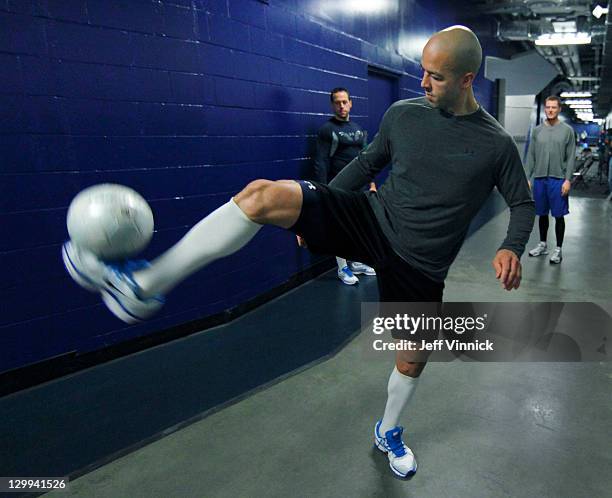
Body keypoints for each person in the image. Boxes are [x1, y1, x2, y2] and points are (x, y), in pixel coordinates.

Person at [62, 26, 535, 478]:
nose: (423, 82)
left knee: (412, 360)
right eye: (423, 70)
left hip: (421, 262)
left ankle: (388, 430)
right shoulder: (404, 114)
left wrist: (511, 247)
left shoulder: (494, 144)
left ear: (467, 79)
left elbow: (521, 201)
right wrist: (320, 213)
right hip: (370, 218)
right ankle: (144, 283)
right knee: (263, 195)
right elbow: (369, 164)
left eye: (436, 76)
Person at [314, 87, 376, 285]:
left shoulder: (358, 129)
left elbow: (365, 159)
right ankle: (343, 268)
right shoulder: (327, 130)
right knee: (340, 227)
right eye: (337, 102)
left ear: (350, 103)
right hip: (337, 186)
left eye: (344, 102)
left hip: (358, 188)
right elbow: (321, 162)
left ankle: (356, 262)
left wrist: (371, 183)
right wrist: (323, 191)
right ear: (332, 105)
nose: (341, 106)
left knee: (358, 225)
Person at [525, 95, 576, 264]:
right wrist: (528, 177)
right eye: (548, 107)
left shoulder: (567, 131)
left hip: (558, 179)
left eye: (554, 107)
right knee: (542, 214)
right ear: (545, 108)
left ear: (559, 109)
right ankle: (543, 244)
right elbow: (531, 155)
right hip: (539, 178)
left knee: (559, 215)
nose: (550, 110)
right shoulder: (537, 130)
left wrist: (568, 180)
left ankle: (558, 249)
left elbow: (570, 158)